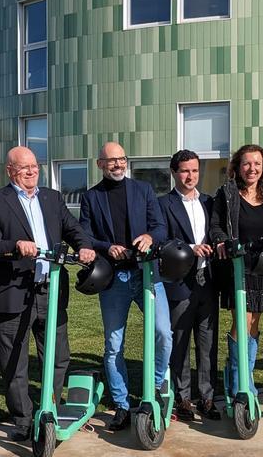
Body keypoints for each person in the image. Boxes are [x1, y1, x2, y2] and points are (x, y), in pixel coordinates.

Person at [0, 146, 95, 441]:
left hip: (51, 289)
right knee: (15, 362)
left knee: (58, 357)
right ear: (9, 171)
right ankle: (25, 420)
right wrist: (15, 244)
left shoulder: (52, 198)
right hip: (12, 291)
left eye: (34, 166)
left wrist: (84, 245)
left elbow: (72, 228)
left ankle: (48, 411)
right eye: (23, 167)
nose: (30, 171)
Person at [79, 141, 171, 431]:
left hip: (147, 273)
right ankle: (121, 404)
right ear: (100, 164)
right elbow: (84, 235)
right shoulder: (91, 197)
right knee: (113, 345)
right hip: (114, 278)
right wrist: (108, 247)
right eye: (112, 160)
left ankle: (154, 386)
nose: (118, 164)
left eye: (122, 159)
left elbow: (160, 227)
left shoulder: (143, 190)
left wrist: (148, 237)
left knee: (163, 333)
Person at [208, 144, 263, 402]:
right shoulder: (227, 193)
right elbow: (215, 224)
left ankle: (238, 372)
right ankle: (242, 381)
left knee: (254, 323)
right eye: (247, 163)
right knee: (242, 320)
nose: (253, 169)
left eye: (258, 164)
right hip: (237, 265)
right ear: (238, 167)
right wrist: (220, 241)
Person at [157, 149, 220, 421]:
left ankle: (206, 397)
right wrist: (190, 248)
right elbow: (162, 240)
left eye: (194, 170)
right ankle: (183, 399)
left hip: (208, 281)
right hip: (179, 282)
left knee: (207, 343)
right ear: (174, 172)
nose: (190, 175)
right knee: (179, 342)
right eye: (185, 170)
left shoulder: (210, 202)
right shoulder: (163, 204)